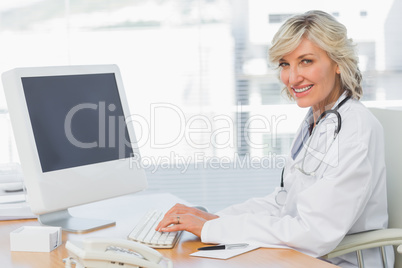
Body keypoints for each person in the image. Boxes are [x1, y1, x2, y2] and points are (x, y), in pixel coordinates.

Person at [156, 10, 393, 267]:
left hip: (340, 260)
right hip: (303, 254)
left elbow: (314, 232)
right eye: (284, 64)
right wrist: (212, 219)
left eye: (306, 61)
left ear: (338, 63)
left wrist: (215, 228)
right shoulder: (318, 120)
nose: (292, 78)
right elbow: (283, 201)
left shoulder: (354, 129)